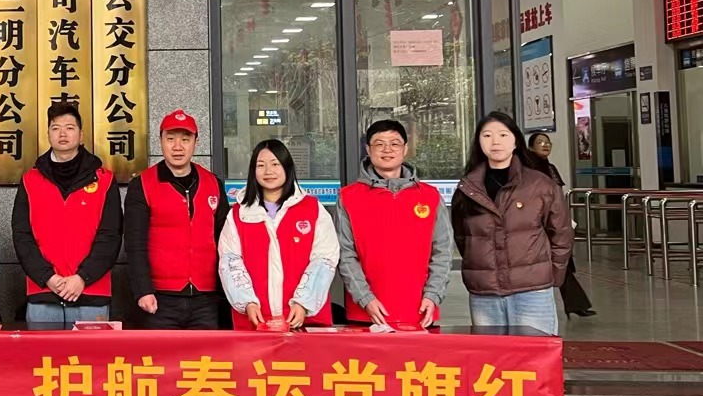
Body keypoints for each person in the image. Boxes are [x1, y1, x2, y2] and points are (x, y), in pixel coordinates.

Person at [453, 113, 573, 335]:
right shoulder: (468, 188)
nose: (495, 141)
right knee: (491, 355)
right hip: (485, 293)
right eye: (487, 135)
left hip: (532, 290)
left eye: (503, 135)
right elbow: (463, 237)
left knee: (533, 353)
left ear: (516, 141)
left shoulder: (540, 184)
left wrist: (551, 275)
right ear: (479, 142)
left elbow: (561, 233)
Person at [13, 102, 122, 324]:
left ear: (81, 135)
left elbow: (110, 236)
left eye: (69, 127)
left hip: (91, 292)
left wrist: (82, 277)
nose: (62, 133)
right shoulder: (30, 181)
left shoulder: (104, 180)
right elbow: (22, 236)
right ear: (48, 135)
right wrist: (48, 277)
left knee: (90, 350)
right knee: (42, 348)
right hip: (43, 292)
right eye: (55, 128)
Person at [338, 119, 453, 328]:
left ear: (405, 149)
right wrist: (365, 298)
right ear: (368, 150)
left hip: (420, 311)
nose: (387, 149)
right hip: (367, 314)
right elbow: (345, 254)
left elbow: (443, 252)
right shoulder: (348, 197)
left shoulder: (429, 196)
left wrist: (433, 295)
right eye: (379, 144)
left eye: (394, 143)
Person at [124, 109, 229, 329]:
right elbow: (135, 244)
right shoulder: (142, 185)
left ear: (196, 142)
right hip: (159, 299)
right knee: (162, 353)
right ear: (160, 141)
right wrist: (143, 290)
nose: (177, 147)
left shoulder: (213, 183)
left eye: (185, 139)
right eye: (170, 139)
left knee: (205, 352)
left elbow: (225, 240)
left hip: (206, 298)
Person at [219, 139, 337, 329]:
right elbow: (230, 261)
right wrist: (247, 302)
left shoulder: (313, 209)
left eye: (275, 164)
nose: (268, 171)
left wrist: (303, 303)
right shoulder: (238, 215)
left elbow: (325, 259)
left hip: (302, 319)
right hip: (256, 320)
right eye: (261, 165)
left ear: (287, 167)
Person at [528, 132, 595, 318]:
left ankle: (575, 303)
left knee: (561, 260)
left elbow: (557, 194)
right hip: (539, 222)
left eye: (547, 142)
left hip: (554, 220)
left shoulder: (550, 168)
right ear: (531, 147)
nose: (545, 145)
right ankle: (574, 304)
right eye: (540, 142)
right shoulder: (528, 168)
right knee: (555, 261)